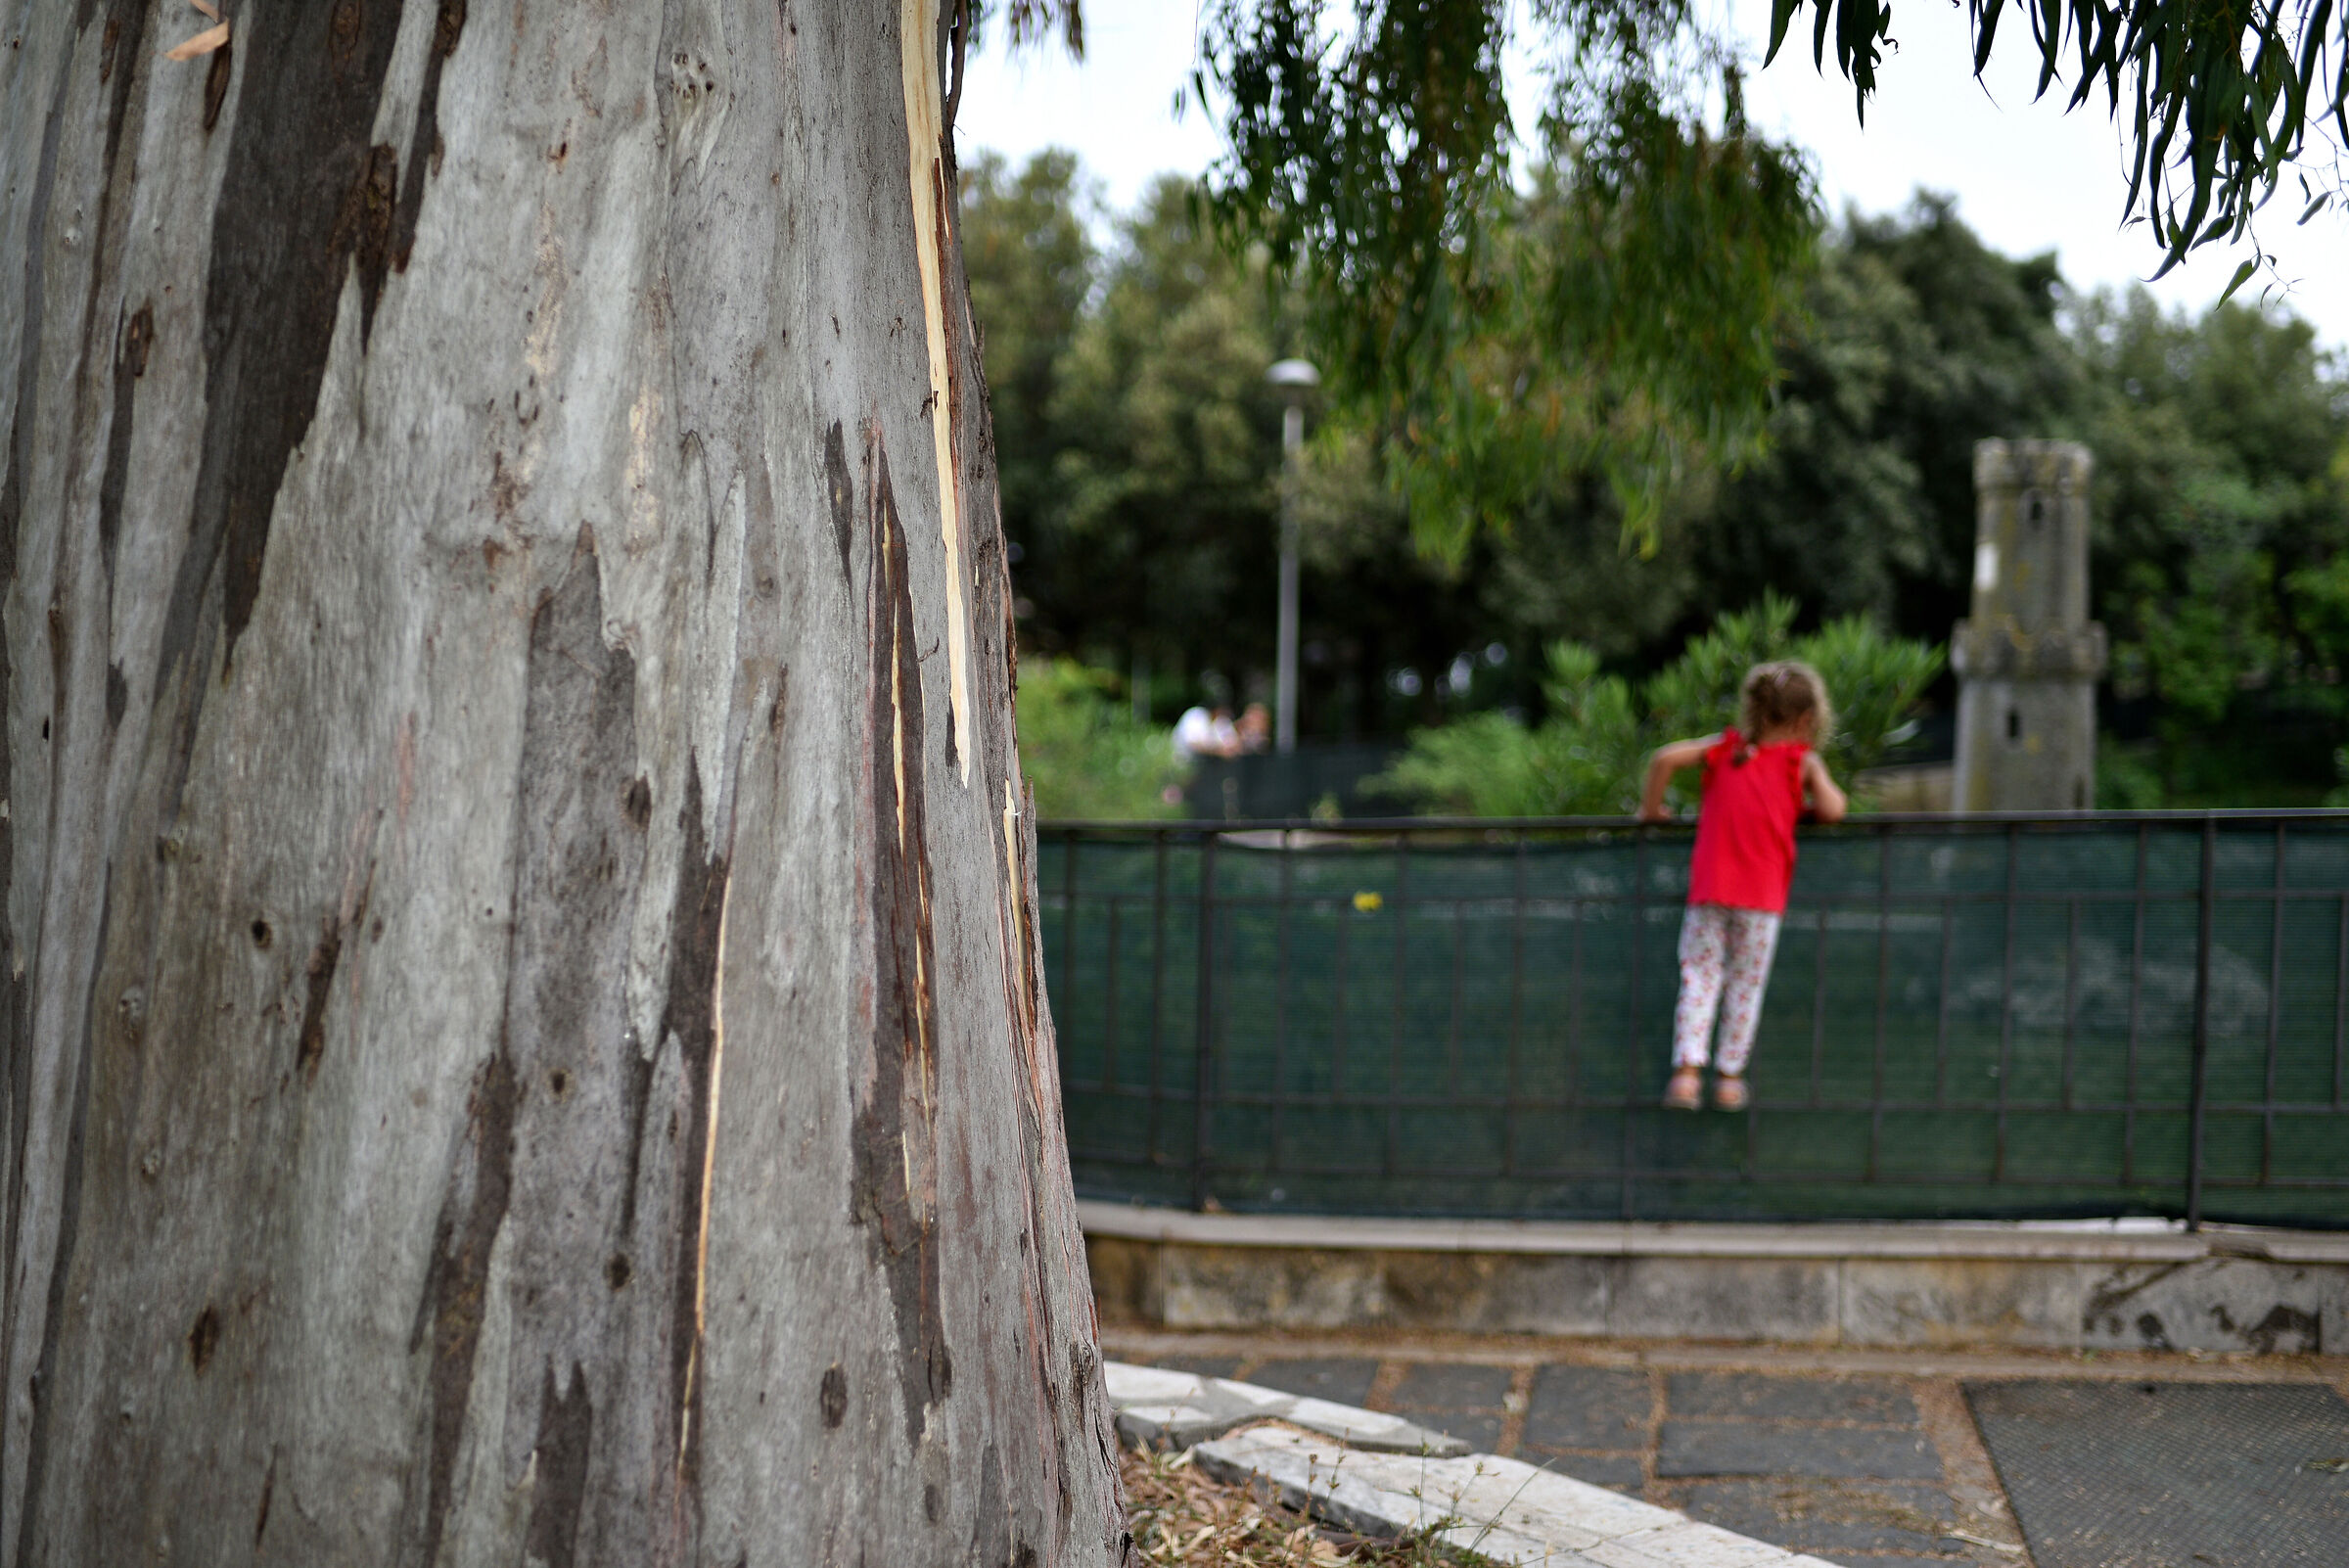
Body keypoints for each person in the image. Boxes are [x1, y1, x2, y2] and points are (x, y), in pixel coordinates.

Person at [1638, 661, 1847, 1112]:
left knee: (1700, 978)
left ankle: (1686, 1075)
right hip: (1761, 900)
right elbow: (1833, 809)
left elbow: (1663, 759)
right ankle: (1729, 1078)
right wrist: (1809, 793)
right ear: (1808, 719)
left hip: (1709, 890)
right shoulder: (1799, 762)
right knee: (1744, 985)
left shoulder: (1724, 750)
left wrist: (1651, 812)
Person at [1173, 704, 1241, 761]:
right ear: (1217, 711)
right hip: (1179, 759)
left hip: (1194, 763)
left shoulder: (1214, 723)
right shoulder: (1198, 715)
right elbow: (1193, 743)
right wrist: (1219, 751)